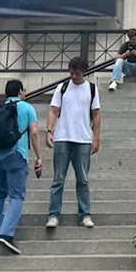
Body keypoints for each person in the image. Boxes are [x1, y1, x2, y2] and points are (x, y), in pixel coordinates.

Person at [0, 78, 42, 253]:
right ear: (20, 92)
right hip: (16, 153)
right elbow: (33, 132)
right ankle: (6, 234)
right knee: (16, 195)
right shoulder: (27, 108)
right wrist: (39, 157)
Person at [45, 57, 101, 230]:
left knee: (83, 179)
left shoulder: (91, 89)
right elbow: (53, 111)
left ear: (84, 72)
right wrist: (49, 130)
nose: (74, 76)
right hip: (63, 137)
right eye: (71, 73)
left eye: (77, 73)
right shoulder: (62, 88)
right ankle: (54, 214)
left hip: (83, 138)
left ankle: (85, 213)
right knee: (58, 179)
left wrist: (96, 137)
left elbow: (96, 113)